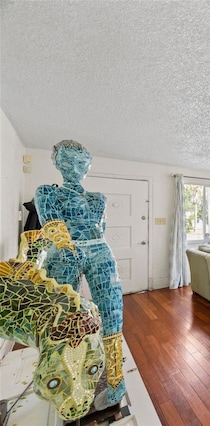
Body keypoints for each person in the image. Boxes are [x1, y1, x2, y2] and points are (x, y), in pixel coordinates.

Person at [35, 140, 126, 409]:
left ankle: (115, 379)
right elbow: (50, 223)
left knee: (112, 310)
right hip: (64, 253)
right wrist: (65, 246)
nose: (75, 167)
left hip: (99, 251)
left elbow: (101, 229)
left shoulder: (99, 199)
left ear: (88, 165)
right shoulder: (47, 192)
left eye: (81, 162)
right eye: (68, 161)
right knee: (62, 314)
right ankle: (63, 377)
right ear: (56, 162)